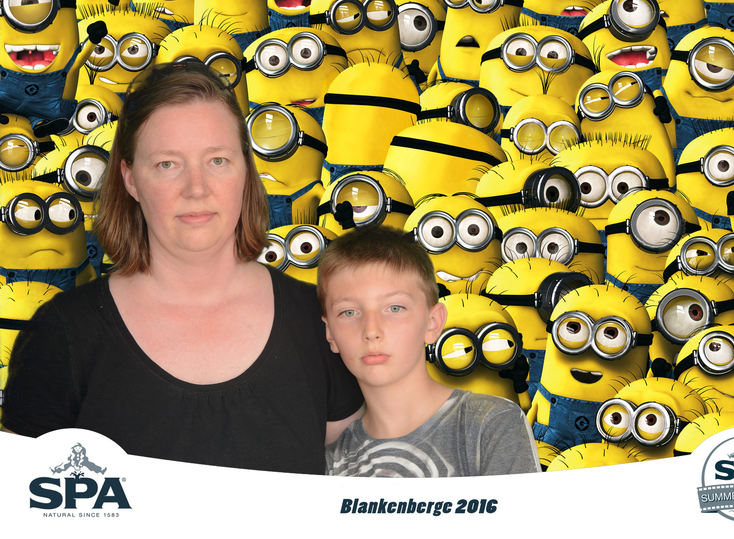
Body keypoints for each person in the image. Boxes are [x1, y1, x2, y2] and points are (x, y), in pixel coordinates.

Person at [1, 63, 364, 474]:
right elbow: (23, 499)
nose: (196, 189)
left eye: (218, 160)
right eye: (167, 164)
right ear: (130, 179)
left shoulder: (320, 323)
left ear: (246, 171)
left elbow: (361, 479)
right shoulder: (62, 334)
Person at [318, 226, 540, 477]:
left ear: (432, 323)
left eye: (394, 308)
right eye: (349, 312)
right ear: (330, 333)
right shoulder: (330, 461)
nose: (371, 331)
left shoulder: (491, 424)